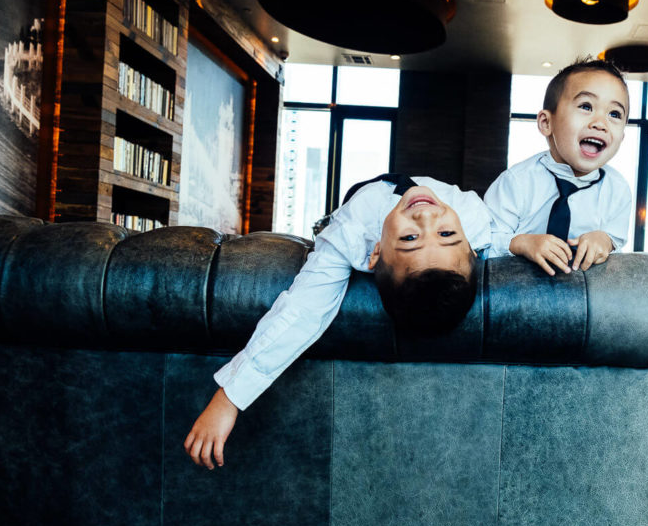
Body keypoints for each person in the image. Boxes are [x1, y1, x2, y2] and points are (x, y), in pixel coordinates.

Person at [184, 173, 491, 469]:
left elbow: (302, 312)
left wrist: (230, 397)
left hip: (360, 198)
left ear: (376, 253)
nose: (426, 217)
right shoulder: (473, 219)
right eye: (447, 235)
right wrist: (514, 243)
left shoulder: (352, 234)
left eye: (410, 238)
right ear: (470, 246)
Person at [485, 59, 632, 275]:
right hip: (517, 288)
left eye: (614, 114)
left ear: (622, 137)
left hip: (585, 292)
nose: (600, 123)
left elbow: (616, 239)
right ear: (546, 123)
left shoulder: (617, 190)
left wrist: (605, 240)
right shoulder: (516, 182)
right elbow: (483, 242)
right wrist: (522, 243)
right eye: (586, 106)